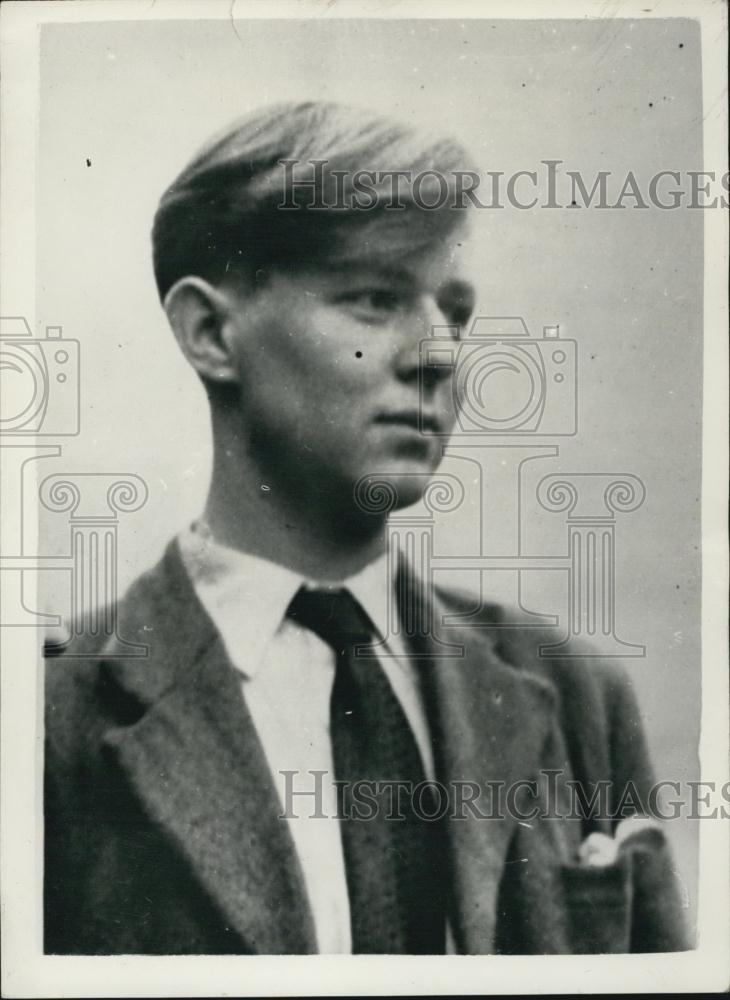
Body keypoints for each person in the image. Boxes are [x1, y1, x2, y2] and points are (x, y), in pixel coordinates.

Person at [44, 101, 689, 955]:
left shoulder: (574, 693)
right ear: (210, 334)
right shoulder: (47, 722)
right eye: (375, 298)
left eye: (454, 313)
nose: (439, 355)